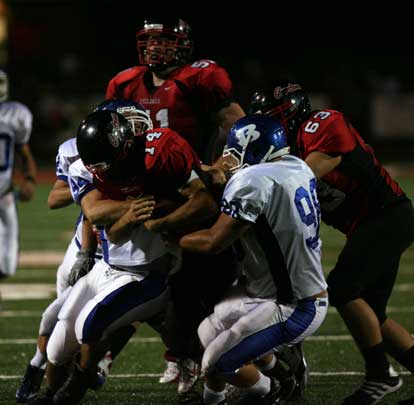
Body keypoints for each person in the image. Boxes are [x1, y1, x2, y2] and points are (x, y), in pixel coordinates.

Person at [30, 108, 221, 405]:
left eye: (105, 164)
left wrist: (162, 217)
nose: (101, 173)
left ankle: (78, 385)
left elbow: (203, 197)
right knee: (57, 341)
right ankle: (49, 392)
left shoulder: (159, 153)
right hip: (107, 266)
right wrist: (134, 210)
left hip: (149, 272)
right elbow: (103, 222)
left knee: (91, 324)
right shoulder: (89, 166)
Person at [250, 81, 414, 404]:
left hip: (387, 216)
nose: (266, 127)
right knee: (373, 314)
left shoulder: (322, 125)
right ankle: (383, 374)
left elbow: (299, 180)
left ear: (291, 114)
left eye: (271, 118)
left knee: (343, 289)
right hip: (368, 225)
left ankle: (380, 375)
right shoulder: (284, 154)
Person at [106, 17, 245, 390]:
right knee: (143, 277)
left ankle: (230, 360)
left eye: (165, 41)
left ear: (184, 44)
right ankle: (176, 353)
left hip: (194, 188)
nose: (155, 48)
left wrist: (227, 165)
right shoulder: (125, 82)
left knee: (202, 279)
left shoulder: (201, 77)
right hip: (150, 190)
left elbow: (239, 126)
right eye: (149, 40)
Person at [176, 114, 328, 405]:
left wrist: (170, 236)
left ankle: (272, 392)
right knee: (207, 331)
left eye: (235, 150)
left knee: (217, 362)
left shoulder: (253, 180)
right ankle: (280, 377)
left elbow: (213, 241)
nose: (229, 157)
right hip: (269, 291)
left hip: (296, 304)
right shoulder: (296, 167)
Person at [0, 69, 36, 284]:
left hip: (4, 188)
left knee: (9, 243)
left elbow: (23, 151)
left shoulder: (15, 113)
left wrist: (29, 178)